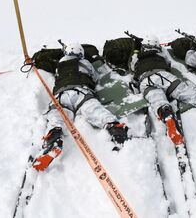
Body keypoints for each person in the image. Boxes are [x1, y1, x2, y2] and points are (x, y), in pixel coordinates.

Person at [33, 42, 128, 171]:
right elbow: (95, 78)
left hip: (62, 95)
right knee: (94, 110)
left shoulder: (60, 63)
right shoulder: (86, 63)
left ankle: (54, 135)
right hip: (82, 92)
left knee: (57, 116)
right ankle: (114, 126)